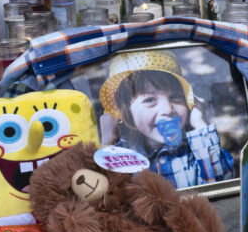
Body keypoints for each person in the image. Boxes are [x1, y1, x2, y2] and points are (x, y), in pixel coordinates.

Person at [99, 50, 234, 189]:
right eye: (150, 100)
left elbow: (222, 185)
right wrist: (108, 141)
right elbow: (103, 196)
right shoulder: (121, 155)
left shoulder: (198, 149)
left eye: (175, 97)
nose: (168, 110)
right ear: (126, 113)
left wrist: (200, 124)